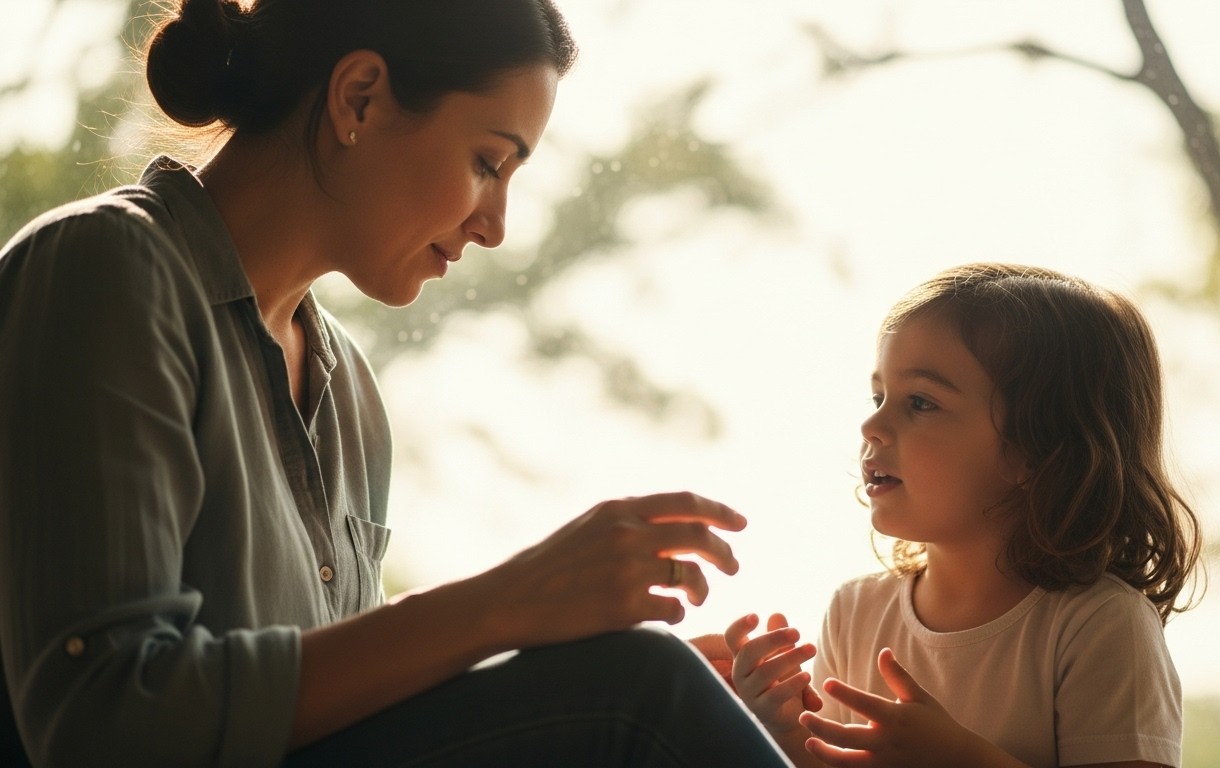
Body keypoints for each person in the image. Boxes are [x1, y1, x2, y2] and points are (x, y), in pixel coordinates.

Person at [0, 1, 791, 765]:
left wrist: (572, 713)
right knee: (638, 689)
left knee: (645, 690)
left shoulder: (350, 397)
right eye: (488, 163)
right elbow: (102, 724)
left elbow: (353, 729)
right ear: (361, 98)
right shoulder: (103, 270)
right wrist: (510, 608)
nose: (496, 226)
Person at [705, 263, 1203, 767]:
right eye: (879, 397)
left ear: (1034, 450)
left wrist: (961, 759)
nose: (872, 424)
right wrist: (782, 726)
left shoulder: (1101, 626)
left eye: (920, 402)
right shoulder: (855, 614)